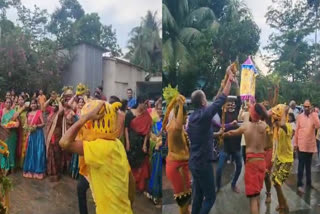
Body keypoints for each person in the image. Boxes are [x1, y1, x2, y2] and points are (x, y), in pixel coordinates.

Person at [59, 100, 134, 214]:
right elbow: (131, 180)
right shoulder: (117, 143)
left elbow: (64, 142)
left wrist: (85, 117)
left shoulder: (99, 147)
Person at [187, 66, 234, 214]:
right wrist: (230, 80)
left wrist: (216, 134)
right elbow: (221, 99)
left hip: (194, 162)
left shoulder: (192, 118)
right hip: (202, 163)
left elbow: (201, 136)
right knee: (211, 197)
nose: (207, 101)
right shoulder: (204, 115)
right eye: (205, 98)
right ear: (202, 102)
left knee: (199, 196)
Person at [223, 103, 268, 214]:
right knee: (257, 195)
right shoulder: (264, 126)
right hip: (262, 162)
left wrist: (222, 134)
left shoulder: (246, 126)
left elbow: (231, 132)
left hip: (252, 163)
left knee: (253, 199)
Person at [165, 94, 191, 214]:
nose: (186, 119)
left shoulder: (175, 125)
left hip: (181, 165)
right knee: (183, 199)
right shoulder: (174, 128)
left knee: (186, 198)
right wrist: (180, 105)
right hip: (177, 166)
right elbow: (179, 126)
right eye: (185, 116)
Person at [216, 95, 242, 194]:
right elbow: (217, 102)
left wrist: (236, 84)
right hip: (225, 147)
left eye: (233, 103)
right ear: (225, 105)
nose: (231, 104)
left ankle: (233, 184)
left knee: (239, 166)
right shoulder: (222, 114)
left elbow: (239, 99)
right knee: (219, 170)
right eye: (228, 103)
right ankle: (217, 187)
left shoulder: (236, 113)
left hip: (236, 147)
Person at [125, 96, 152, 192]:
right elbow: (126, 129)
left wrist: (145, 144)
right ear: (139, 103)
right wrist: (127, 143)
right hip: (132, 141)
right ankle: (130, 183)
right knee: (131, 162)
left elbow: (148, 131)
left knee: (141, 163)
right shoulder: (129, 114)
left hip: (141, 143)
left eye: (146, 104)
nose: (145, 106)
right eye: (144, 104)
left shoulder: (147, 115)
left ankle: (139, 185)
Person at [270, 104, 294, 214]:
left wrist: (285, 110)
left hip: (287, 160)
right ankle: (281, 204)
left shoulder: (288, 126)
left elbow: (283, 123)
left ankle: (284, 205)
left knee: (278, 183)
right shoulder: (277, 128)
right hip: (279, 158)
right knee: (274, 182)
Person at [295, 100, 320, 194]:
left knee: (309, 166)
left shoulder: (314, 116)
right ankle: (299, 185)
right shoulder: (299, 117)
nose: (306, 108)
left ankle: (309, 183)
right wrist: (295, 144)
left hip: (310, 145)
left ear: (310, 107)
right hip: (301, 146)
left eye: (308, 106)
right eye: (305, 106)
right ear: (303, 107)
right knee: (301, 166)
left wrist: (314, 114)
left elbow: (318, 126)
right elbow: (296, 131)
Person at [23, 99, 46, 179]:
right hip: (31, 135)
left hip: (38, 135)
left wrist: (37, 126)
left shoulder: (39, 112)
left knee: (38, 152)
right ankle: (30, 170)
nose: (33, 105)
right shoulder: (28, 113)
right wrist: (26, 127)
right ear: (30, 105)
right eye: (31, 104)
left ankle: (38, 171)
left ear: (37, 104)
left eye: (34, 103)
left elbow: (43, 124)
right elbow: (26, 124)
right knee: (30, 151)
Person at [147, 98, 163, 207]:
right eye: (158, 108)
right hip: (157, 149)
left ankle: (159, 194)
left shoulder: (166, 120)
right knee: (156, 172)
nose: (160, 110)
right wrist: (157, 140)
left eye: (162, 108)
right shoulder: (153, 119)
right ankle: (154, 195)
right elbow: (150, 133)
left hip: (164, 149)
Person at [44, 94, 64, 182]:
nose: (53, 106)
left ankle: (56, 173)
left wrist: (59, 100)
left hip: (56, 136)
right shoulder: (51, 112)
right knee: (49, 152)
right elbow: (44, 106)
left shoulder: (59, 114)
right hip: (49, 135)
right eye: (53, 105)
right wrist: (50, 99)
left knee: (56, 153)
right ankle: (50, 171)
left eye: (56, 105)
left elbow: (62, 109)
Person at [0, 98, 19, 175]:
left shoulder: (14, 112)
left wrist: (12, 125)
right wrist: (3, 126)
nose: (8, 103)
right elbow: (1, 122)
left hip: (11, 135)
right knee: (3, 151)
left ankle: (11, 168)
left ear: (11, 104)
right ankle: (4, 167)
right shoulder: (2, 111)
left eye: (9, 102)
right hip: (3, 134)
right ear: (4, 103)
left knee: (11, 151)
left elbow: (17, 124)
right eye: (6, 102)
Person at [15, 95, 28, 167]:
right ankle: (16, 163)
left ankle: (22, 164)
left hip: (25, 130)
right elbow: (15, 116)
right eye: (19, 99)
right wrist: (22, 108)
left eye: (22, 99)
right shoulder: (16, 108)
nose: (20, 101)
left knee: (23, 147)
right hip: (17, 130)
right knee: (17, 146)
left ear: (24, 100)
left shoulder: (27, 108)